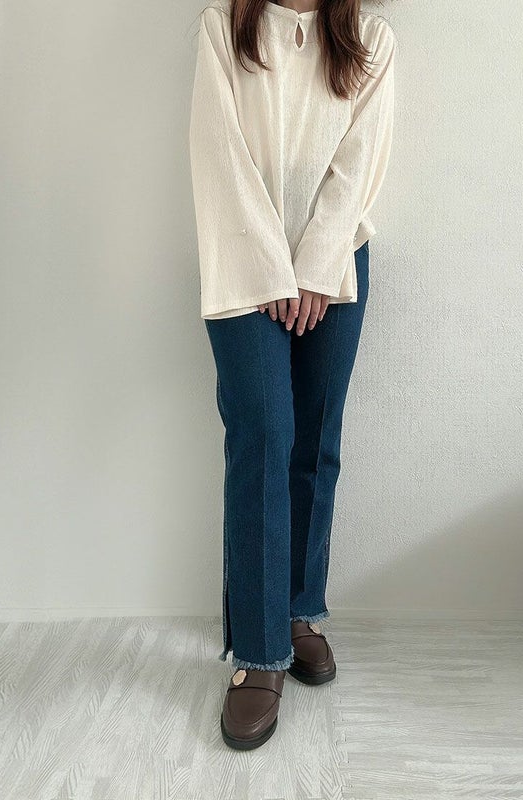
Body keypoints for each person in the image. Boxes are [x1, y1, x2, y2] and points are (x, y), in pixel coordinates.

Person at [188, 0, 396, 749]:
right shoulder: (224, 26)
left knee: (315, 442)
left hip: (335, 264)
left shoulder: (370, 39)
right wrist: (274, 269)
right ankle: (259, 650)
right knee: (263, 441)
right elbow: (219, 156)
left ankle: (299, 609)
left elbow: (360, 164)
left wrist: (313, 267)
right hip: (242, 258)